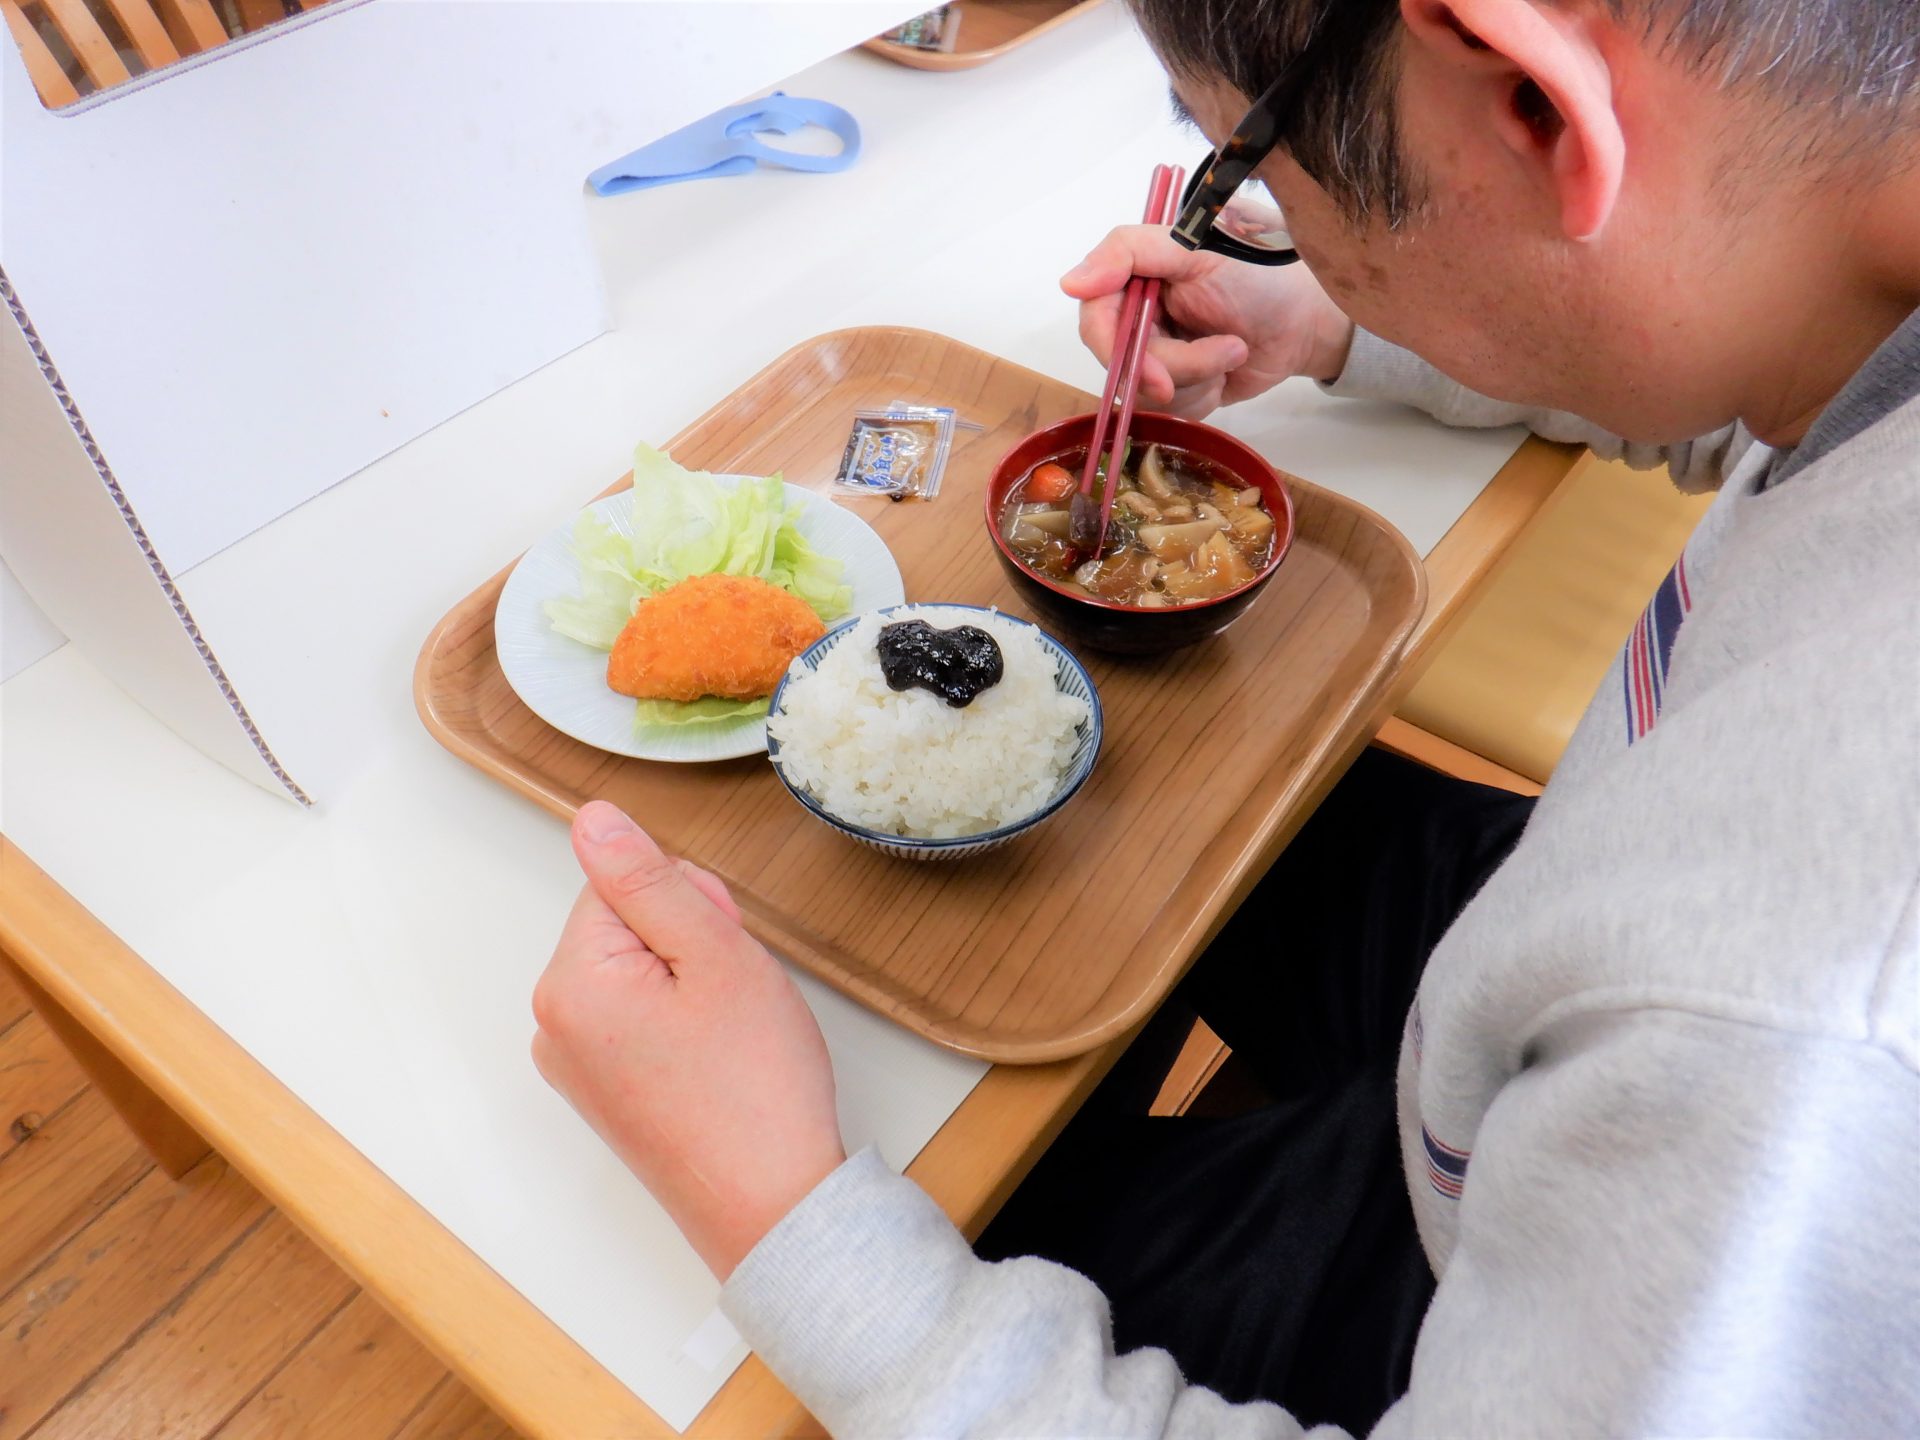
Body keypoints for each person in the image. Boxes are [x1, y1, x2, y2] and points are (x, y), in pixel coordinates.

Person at [529, 0, 1920, 1432]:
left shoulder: (1791, 1025)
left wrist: (777, 1211)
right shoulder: (1841, 283)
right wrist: (1331, 316)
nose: (1265, 225)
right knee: (1214, 820)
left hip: (1499, 1272)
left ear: (1531, 103)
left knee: (983, 1189)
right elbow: (1762, 378)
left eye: (1244, 163)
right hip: (1547, 949)